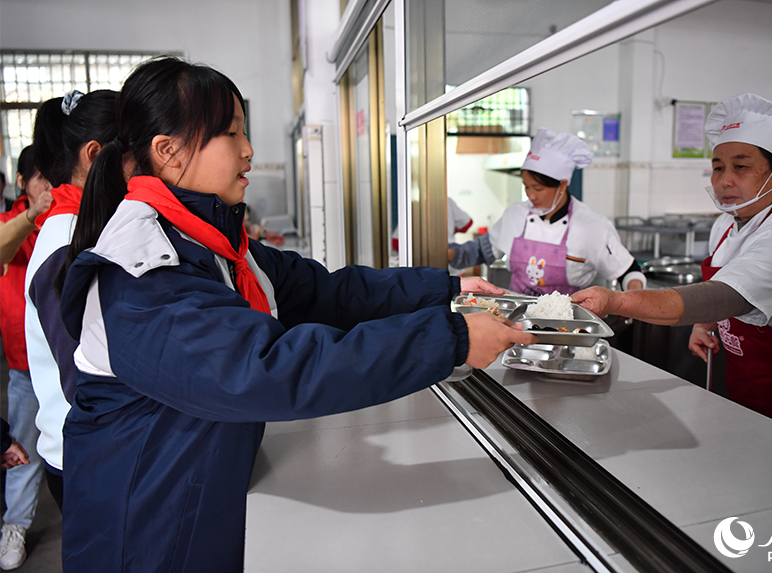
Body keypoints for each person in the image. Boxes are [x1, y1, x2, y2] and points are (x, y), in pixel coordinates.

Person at [55, 56, 535, 572]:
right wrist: (451, 339)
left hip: (196, 492)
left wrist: (443, 289)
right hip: (147, 525)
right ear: (168, 151)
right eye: (230, 134)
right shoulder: (143, 275)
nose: (248, 150)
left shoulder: (211, 242)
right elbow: (269, 368)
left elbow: (329, 292)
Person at [572, 94, 772, 451]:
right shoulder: (727, 224)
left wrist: (614, 300)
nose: (724, 180)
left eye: (741, 167)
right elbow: (725, 282)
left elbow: (723, 296)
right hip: (750, 391)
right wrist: (706, 323)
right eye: (718, 166)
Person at [24, 88, 119, 514]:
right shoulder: (65, 244)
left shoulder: (86, 226)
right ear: (94, 155)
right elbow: (83, 378)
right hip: (87, 457)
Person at [448, 128, 646, 295]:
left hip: (569, 327)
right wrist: (448, 253)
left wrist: (631, 299)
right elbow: (481, 250)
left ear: (562, 186)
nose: (531, 196)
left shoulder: (592, 227)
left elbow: (628, 271)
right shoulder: (515, 215)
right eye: (527, 187)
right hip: (518, 321)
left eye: (538, 189)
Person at [0, 146, 52, 571]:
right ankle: (14, 525)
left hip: (71, 360)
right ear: (22, 182)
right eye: (40, 177)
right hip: (24, 367)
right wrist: (34, 213)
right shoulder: (11, 223)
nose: (49, 185)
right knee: (23, 449)